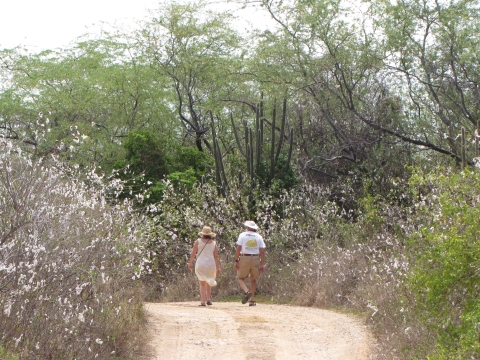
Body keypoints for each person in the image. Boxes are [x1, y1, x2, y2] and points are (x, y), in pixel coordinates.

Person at [233, 220, 266, 306]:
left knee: (240, 277)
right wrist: (262, 263)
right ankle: (252, 300)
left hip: (245, 257)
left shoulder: (242, 235)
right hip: (255, 258)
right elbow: (262, 251)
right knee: (253, 279)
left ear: (247, 227)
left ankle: (247, 291)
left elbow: (238, 248)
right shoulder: (259, 236)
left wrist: (236, 260)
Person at [188, 226, 221, 306]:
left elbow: (193, 253)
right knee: (209, 281)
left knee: (202, 283)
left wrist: (190, 262)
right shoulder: (213, 243)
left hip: (201, 263)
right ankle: (208, 299)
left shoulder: (198, 241)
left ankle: (203, 301)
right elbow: (216, 256)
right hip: (210, 264)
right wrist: (218, 267)